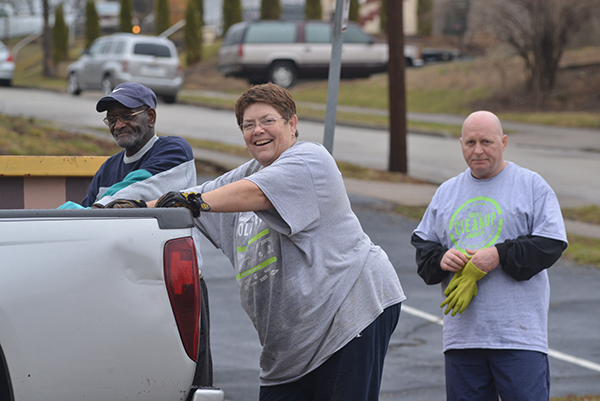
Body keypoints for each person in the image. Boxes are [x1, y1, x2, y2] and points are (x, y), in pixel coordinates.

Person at [142, 83, 406, 400]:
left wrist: (194, 201)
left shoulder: (310, 159)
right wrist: (131, 209)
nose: (258, 131)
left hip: (349, 313)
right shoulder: (245, 175)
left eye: (268, 121)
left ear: (291, 124)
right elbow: (191, 198)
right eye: (248, 125)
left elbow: (248, 194)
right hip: (289, 346)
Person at [58, 82, 213, 387]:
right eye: (112, 118)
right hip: (119, 288)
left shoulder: (173, 150)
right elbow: (86, 223)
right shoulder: (106, 169)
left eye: (127, 115)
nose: (118, 124)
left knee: (187, 380)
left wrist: (83, 211)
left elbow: (131, 195)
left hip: (174, 286)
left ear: (151, 116)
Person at [411, 110, 568, 401]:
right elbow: (424, 247)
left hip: (519, 338)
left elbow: (551, 243)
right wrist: (441, 258)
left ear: (504, 142)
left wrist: (499, 254)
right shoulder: (447, 192)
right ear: (461, 144)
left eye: (486, 141)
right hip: (462, 339)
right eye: (470, 143)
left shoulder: (531, 185)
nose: (478, 150)